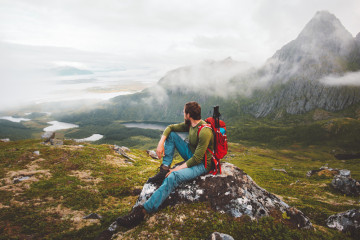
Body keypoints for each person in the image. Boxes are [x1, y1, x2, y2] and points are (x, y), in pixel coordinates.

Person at [116, 101, 214, 228]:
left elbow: (197, 159)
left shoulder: (205, 131)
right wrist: (161, 142)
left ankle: (143, 211)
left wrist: (177, 168)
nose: (183, 113)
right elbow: (170, 128)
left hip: (202, 164)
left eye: (184, 111)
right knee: (171, 136)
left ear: (189, 114)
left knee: (173, 177)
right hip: (191, 154)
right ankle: (164, 169)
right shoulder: (191, 125)